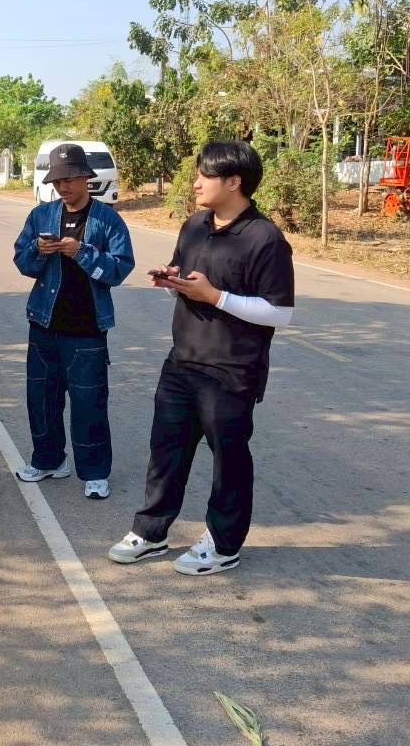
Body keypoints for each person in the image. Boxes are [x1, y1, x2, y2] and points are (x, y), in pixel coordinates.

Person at [109, 140, 295, 575]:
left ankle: (225, 543)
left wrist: (215, 296)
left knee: (228, 459)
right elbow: (187, 270)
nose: (195, 183)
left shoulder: (265, 239)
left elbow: (280, 313)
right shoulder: (194, 225)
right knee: (166, 450)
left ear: (234, 182)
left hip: (230, 371)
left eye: (205, 176)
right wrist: (173, 278)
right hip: (182, 360)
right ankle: (152, 532)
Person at [13, 143, 134, 499]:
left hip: (86, 331)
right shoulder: (41, 216)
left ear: (85, 177)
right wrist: (38, 250)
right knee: (42, 398)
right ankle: (49, 460)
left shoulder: (107, 219)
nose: (63, 186)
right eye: (57, 180)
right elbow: (22, 263)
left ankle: (95, 472)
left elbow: (119, 270)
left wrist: (80, 251)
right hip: (44, 325)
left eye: (69, 178)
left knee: (89, 403)